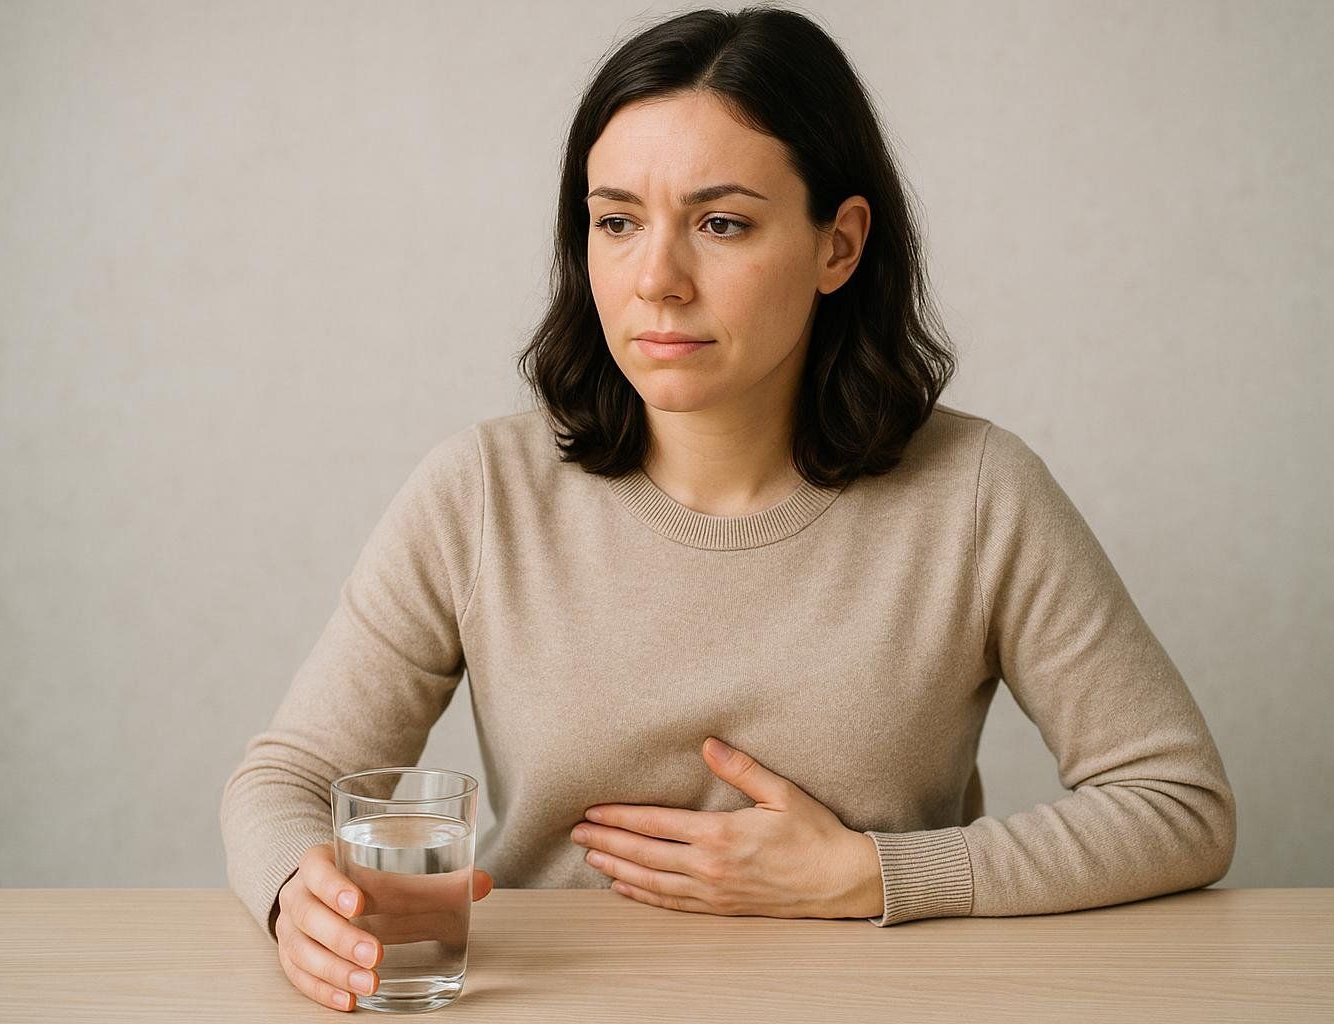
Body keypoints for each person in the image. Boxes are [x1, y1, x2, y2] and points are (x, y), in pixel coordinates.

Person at [221, 4, 1236, 1013]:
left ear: (838, 246)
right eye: (616, 221)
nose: (656, 280)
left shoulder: (978, 491)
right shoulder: (480, 490)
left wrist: (873, 875)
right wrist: (297, 896)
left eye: (721, 224)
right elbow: (289, 777)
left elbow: (1178, 806)